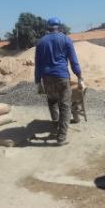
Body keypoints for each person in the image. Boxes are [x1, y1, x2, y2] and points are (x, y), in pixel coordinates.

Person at [34, 17, 84, 145]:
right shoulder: (66, 39)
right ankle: (61, 138)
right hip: (62, 77)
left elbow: (38, 64)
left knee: (52, 102)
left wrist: (38, 82)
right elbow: (73, 61)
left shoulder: (41, 42)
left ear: (48, 28)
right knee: (65, 106)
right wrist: (80, 77)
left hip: (46, 78)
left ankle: (56, 125)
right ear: (59, 27)